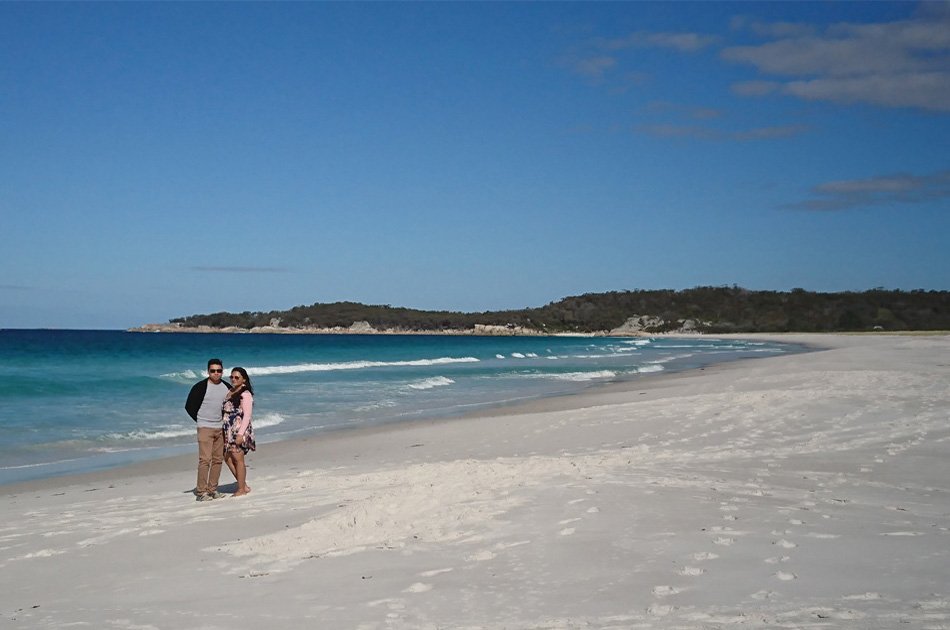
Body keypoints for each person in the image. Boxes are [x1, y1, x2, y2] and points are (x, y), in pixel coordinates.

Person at [185, 358, 231, 502]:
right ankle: (201, 492)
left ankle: (213, 489)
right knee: (205, 460)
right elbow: (189, 406)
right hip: (205, 427)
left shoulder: (227, 387)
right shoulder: (200, 387)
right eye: (213, 371)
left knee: (218, 460)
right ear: (208, 372)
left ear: (222, 371)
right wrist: (200, 421)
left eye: (219, 371)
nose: (216, 373)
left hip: (220, 428)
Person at [223, 366, 256, 497]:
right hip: (228, 430)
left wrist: (240, 434)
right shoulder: (230, 391)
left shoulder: (245, 394)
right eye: (232, 377)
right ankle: (243, 485)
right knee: (227, 458)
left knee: (238, 459)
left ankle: (241, 489)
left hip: (238, 430)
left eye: (237, 377)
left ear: (244, 379)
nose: (233, 379)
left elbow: (247, 416)